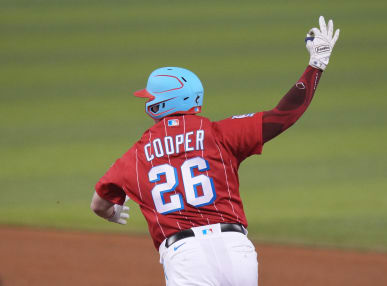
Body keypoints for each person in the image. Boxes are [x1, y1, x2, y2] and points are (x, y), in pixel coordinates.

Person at [90, 16, 340, 286]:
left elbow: (99, 203)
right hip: (237, 250)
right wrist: (316, 65)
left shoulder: (136, 157)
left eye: (150, 97)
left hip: (186, 257)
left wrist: (111, 213)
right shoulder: (220, 133)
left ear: (161, 103)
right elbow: (284, 115)